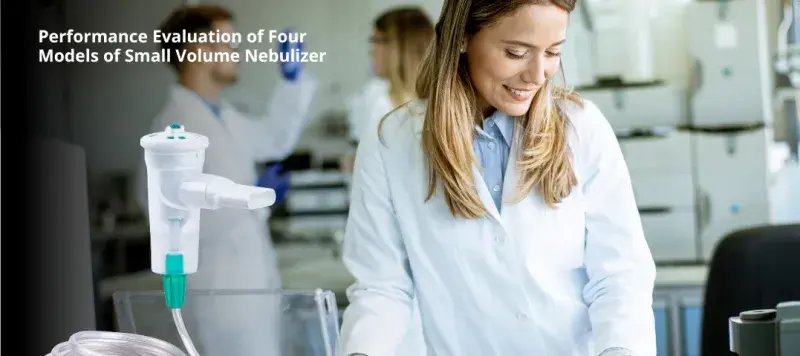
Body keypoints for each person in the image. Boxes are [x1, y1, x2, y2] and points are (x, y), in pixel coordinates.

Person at [338, 0, 657, 355]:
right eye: (516, 52)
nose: (537, 74)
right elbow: (383, 287)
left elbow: (619, 277)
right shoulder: (392, 142)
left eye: (553, 52)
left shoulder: (582, 128)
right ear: (462, 37)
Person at [135, 4, 317, 355]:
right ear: (198, 50)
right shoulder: (174, 128)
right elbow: (174, 218)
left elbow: (274, 139)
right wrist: (255, 198)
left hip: (248, 288)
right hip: (218, 297)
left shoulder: (223, 116)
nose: (238, 53)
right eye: (229, 43)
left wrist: (291, 83)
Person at [341, 6, 434, 172]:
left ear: (396, 46)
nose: (371, 51)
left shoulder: (377, 100)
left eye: (375, 41)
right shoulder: (440, 100)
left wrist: (353, 162)